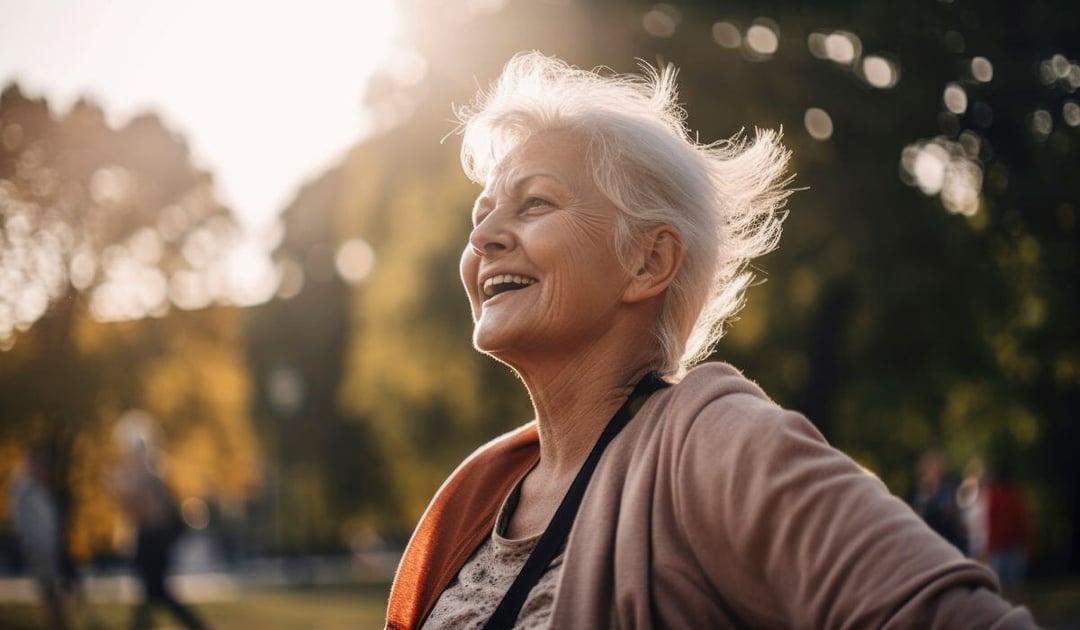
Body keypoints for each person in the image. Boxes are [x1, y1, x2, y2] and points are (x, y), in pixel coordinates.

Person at [385, 53, 1036, 628]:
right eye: (483, 213)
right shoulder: (476, 495)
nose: (483, 237)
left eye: (533, 204)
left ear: (647, 263)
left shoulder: (713, 443)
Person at [111, 439, 208, 630]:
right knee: (149, 592)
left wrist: (118, 489)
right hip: (148, 539)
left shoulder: (149, 478)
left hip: (153, 541)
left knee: (155, 592)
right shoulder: (148, 477)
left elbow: (140, 509)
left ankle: (196, 626)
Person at [9, 448, 66, 629]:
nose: (43, 468)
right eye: (39, 463)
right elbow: (23, 521)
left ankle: (55, 623)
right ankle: (53, 624)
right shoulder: (25, 489)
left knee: (52, 590)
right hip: (39, 547)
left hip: (48, 547)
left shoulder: (38, 489)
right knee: (49, 591)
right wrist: (30, 543)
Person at [985, 461, 1031, 592]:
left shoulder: (996, 496)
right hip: (1011, 546)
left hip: (1003, 546)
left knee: (1002, 584)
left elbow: (991, 523)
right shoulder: (1016, 495)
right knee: (1013, 583)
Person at [911, 449, 966, 551]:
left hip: (947, 541)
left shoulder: (948, 489)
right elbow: (918, 515)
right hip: (927, 542)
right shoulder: (920, 490)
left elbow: (952, 516)